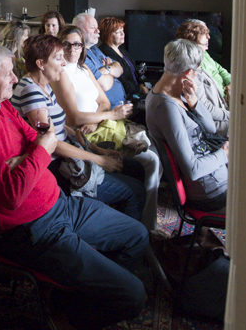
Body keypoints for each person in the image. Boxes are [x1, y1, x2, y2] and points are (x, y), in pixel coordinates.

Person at [0, 42, 148, 330]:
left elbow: (43, 136)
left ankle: (73, 299)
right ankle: (71, 318)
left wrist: (25, 158)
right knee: (134, 295)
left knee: (137, 235)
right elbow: (11, 193)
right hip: (33, 231)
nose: (15, 79)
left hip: (60, 204)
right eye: (8, 74)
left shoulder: (0, 107)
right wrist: (39, 152)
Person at [11, 34, 146, 222]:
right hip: (57, 167)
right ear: (41, 64)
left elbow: (60, 128)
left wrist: (96, 149)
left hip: (70, 153)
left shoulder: (43, 86)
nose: (63, 64)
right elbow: (51, 143)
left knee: (136, 169)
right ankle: (128, 238)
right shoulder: (30, 91)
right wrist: (98, 159)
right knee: (135, 190)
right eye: (58, 58)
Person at [53, 25, 160, 230]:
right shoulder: (60, 73)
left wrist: (96, 119)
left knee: (150, 157)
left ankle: (141, 224)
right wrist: (111, 115)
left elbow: (104, 101)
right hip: (84, 136)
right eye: (67, 44)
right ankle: (143, 227)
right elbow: (74, 117)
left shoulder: (83, 69)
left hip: (98, 126)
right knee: (149, 161)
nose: (72, 49)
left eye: (77, 44)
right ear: (60, 45)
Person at [146, 39, 228, 213]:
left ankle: (204, 234)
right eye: (198, 71)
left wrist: (194, 102)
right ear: (189, 73)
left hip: (216, 176)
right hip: (212, 191)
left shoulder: (178, 92)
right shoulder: (166, 107)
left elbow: (210, 129)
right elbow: (193, 170)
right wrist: (225, 154)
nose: (198, 74)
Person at [174, 20, 230, 136]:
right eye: (205, 34)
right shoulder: (191, 69)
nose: (209, 37)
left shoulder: (203, 55)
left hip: (223, 109)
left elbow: (220, 69)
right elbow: (205, 109)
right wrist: (232, 115)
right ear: (193, 40)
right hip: (213, 122)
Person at [73, 13, 128, 106]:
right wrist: (111, 70)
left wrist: (106, 69)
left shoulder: (94, 48)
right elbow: (104, 85)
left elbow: (119, 68)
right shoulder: (79, 55)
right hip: (108, 110)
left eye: (97, 27)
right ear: (79, 31)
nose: (97, 31)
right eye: (92, 28)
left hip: (121, 103)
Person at [98, 17, 149, 97]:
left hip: (137, 90)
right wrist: (140, 89)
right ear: (108, 35)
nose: (123, 34)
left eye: (122, 31)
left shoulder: (121, 49)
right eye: (118, 32)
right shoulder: (105, 52)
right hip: (127, 95)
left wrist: (141, 85)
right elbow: (121, 80)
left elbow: (135, 72)